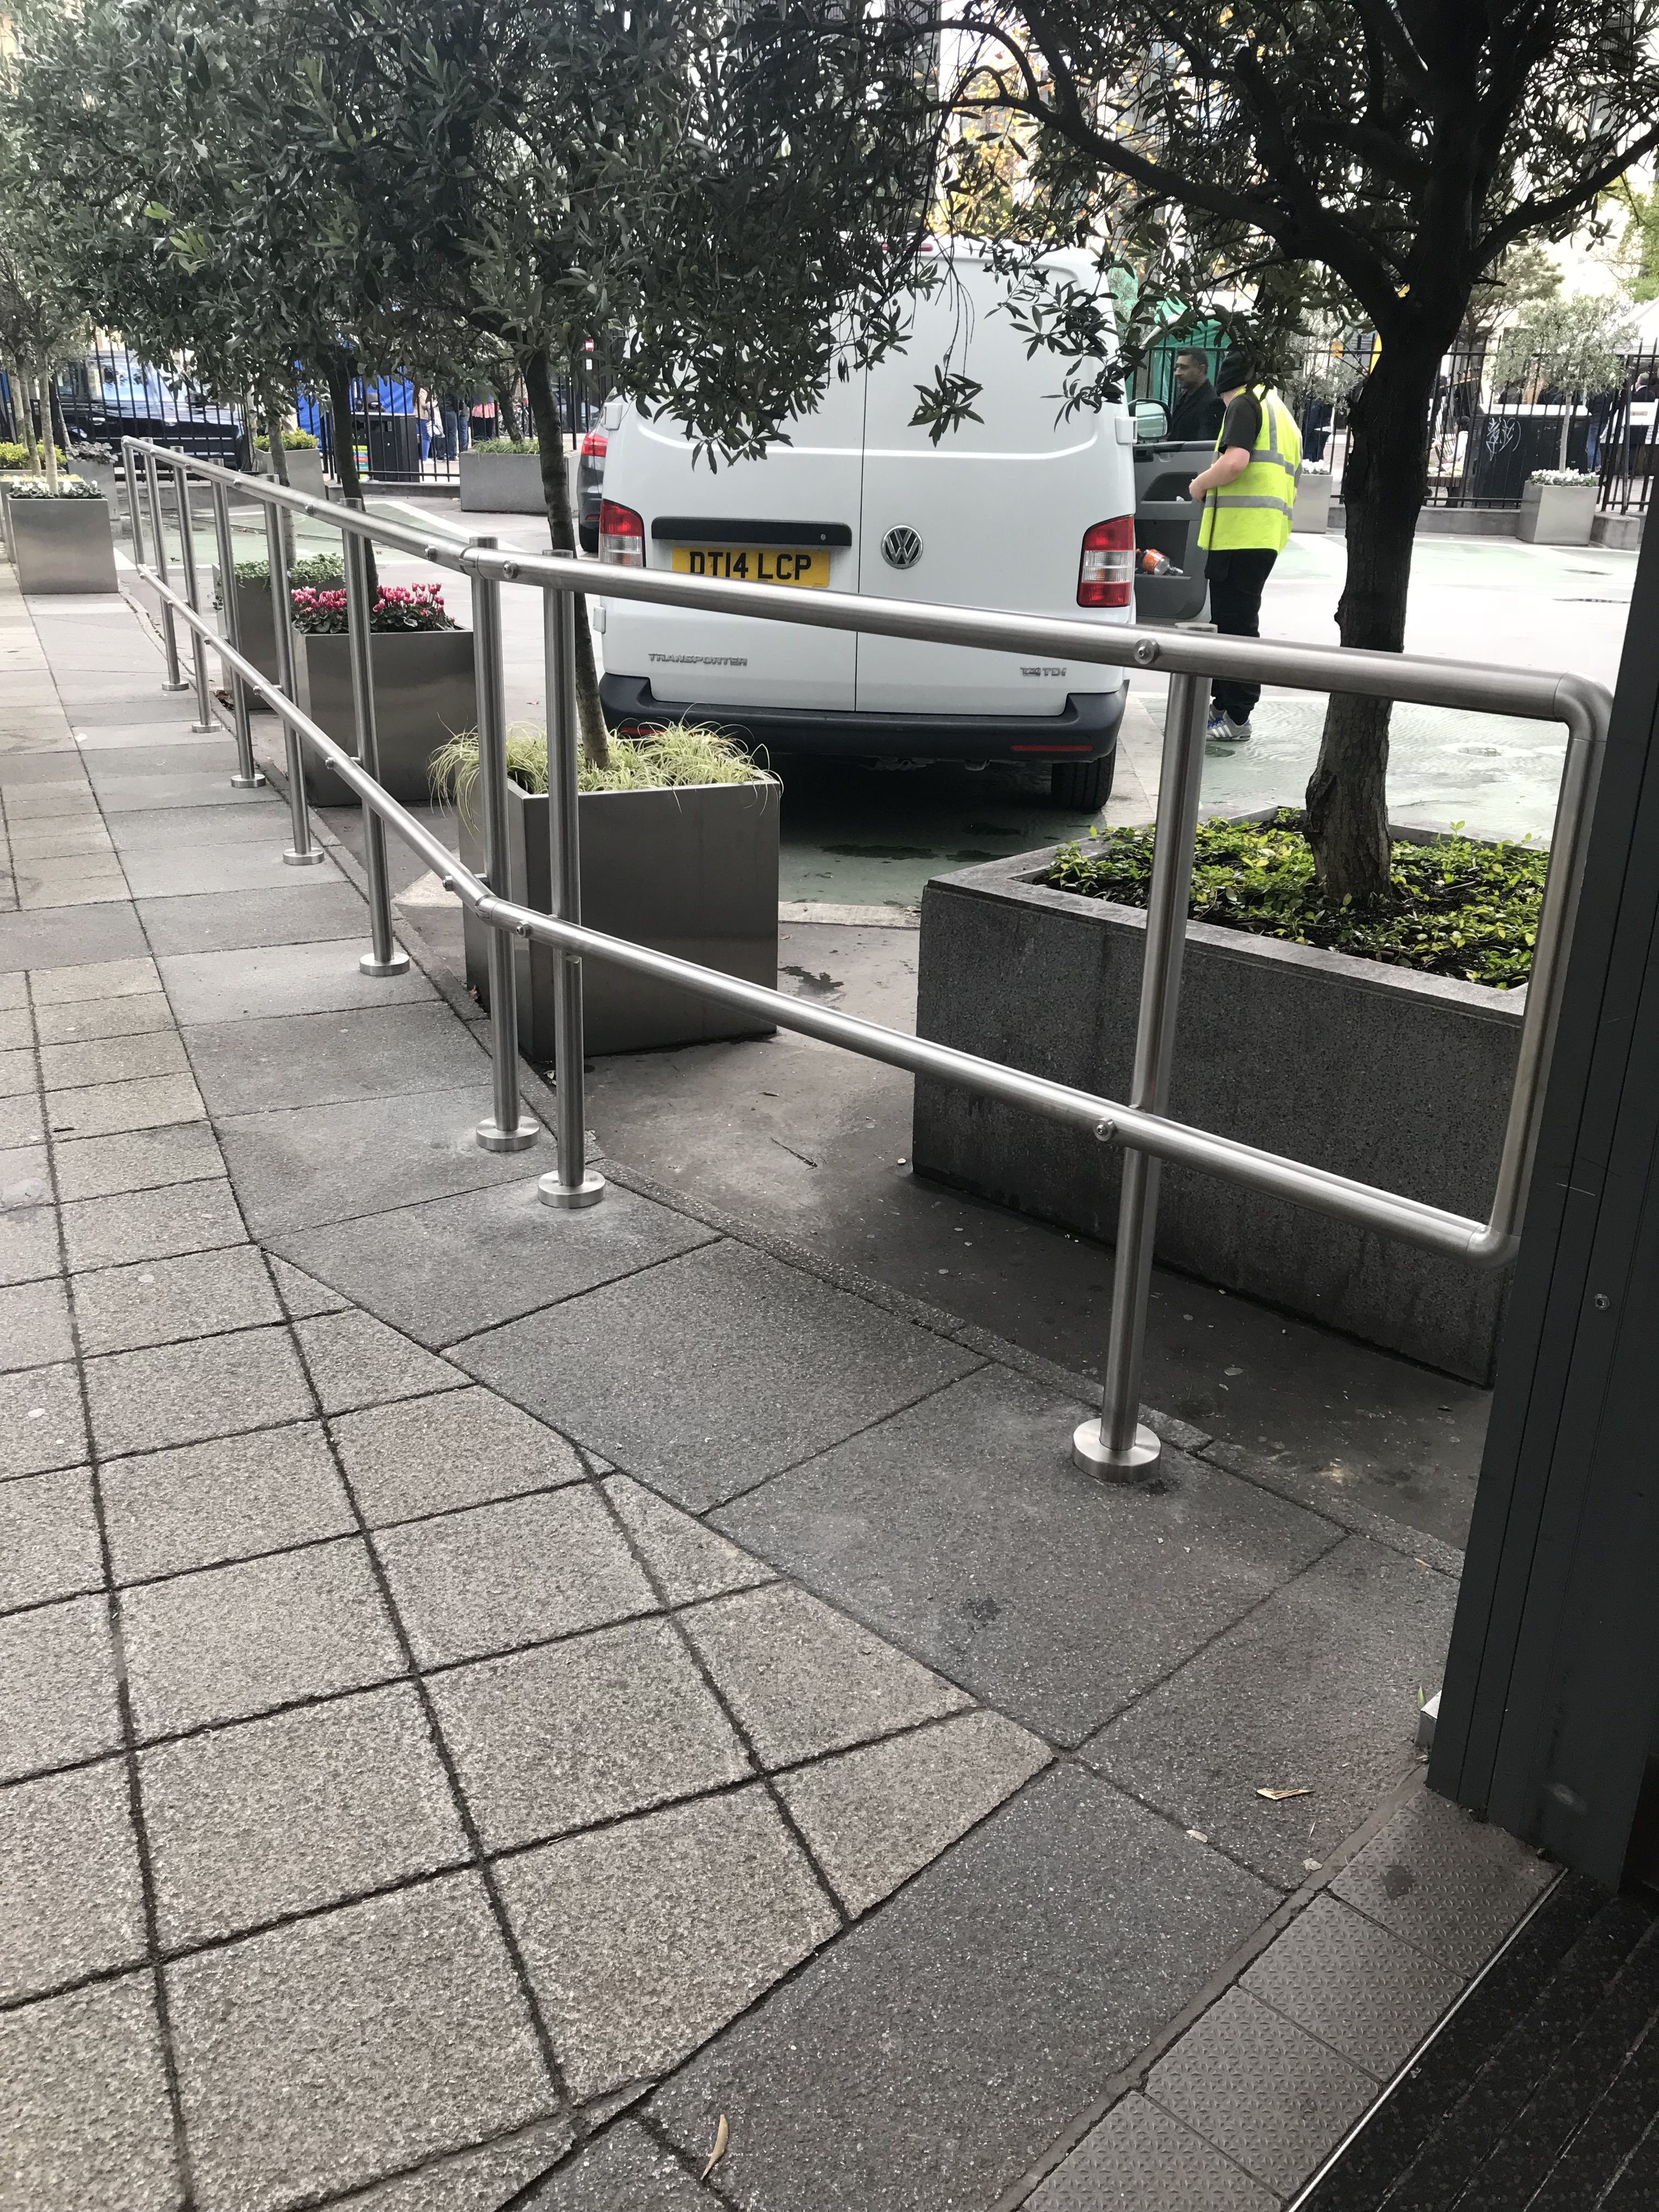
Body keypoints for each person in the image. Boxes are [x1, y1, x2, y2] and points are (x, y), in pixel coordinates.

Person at [1187, 350, 1302, 744]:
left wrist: (1200, 483)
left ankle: (1237, 716)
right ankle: (1224, 706)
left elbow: (1234, 463)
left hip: (1241, 533)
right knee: (1235, 621)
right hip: (1263, 533)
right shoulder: (1280, 411)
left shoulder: (1244, 403)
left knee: (1236, 627)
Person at [1166, 348, 1226, 443]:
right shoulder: (1184, 396)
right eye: (1176, 368)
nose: (1177, 373)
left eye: (1184, 368)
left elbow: (1206, 446)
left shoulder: (1213, 403)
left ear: (1201, 370)